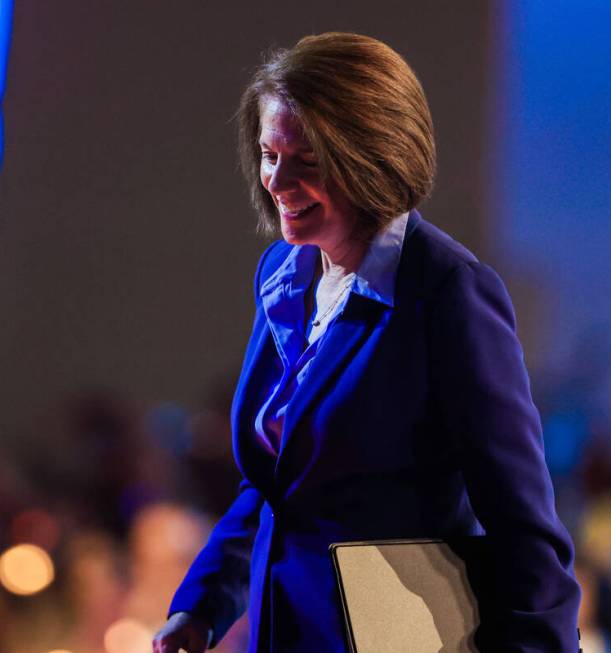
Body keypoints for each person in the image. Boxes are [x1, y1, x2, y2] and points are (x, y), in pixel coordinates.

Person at [153, 32, 581, 653]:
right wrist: (200, 608)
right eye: (270, 155)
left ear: (372, 157)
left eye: (306, 161)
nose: (277, 180)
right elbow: (275, 487)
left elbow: (524, 528)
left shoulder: (449, 293)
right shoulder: (283, 273)